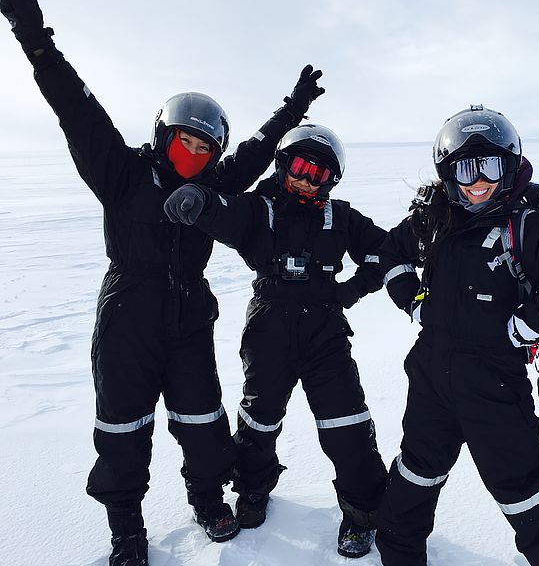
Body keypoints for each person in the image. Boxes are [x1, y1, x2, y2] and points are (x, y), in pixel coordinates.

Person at [1, 0, 325, 565]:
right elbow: (78, 110)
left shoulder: (215, 185)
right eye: (186, 142)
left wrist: (292, 110)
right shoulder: (122, 173)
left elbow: (255, 152)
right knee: (123, 430)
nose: (196, 155)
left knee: (203, 422)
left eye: (206, 148)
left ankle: (206, 498)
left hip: (189, 316)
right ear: (163, 134)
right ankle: (126, 528)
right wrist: (36, 41)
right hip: (127, 314)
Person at [374, 104, 539, 566]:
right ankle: (398, 552)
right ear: (447, 173)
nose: (478, 181)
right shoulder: (434, 219)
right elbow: (390, 252)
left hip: (494, 382)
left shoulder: (528, 227)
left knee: (525, 487)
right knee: (416, 469)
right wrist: (414, 302)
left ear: (511, 167)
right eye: (465, 168)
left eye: (491, 167)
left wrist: (524, 325)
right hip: (431, 375)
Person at [163, 123, 389, 558]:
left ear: (332, 180)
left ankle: (362, 512)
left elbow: (384, 250)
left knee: (346, 422)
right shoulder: (258, 208)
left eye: (319, 173)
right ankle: (252, 490)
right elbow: (224, 210)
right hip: (269, 324)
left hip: (325, 328)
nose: (307, 178)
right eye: (301, 167)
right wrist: (200, 200)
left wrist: (352, 289)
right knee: (260, 418)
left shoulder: (341, 216)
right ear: (284, 164)